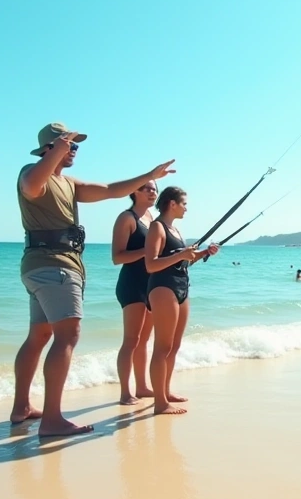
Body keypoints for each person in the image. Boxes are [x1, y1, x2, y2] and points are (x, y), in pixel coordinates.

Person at [12, 122, 174, 436]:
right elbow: (31, 187)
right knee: (68, 335)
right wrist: (58, 149)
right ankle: (52, 420)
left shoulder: (68, 183)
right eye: (70, 144)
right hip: (53, 266)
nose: (74, 150)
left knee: (40, 336)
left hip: (50, 266)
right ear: (51, 146)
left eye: (75, 146)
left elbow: (113, 190)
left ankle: (22, 408)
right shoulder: (32, 173)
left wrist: (149, 175)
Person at [144, 187, 219, 415]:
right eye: (184, 203)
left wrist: (204, 253)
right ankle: (159, 403)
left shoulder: (175, 229)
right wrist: (181, 255)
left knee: (174, 346)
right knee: (163, 347)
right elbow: (151, 264)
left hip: (181, 286)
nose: (187, 208)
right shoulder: (157, 227)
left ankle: (165, 392)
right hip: (163, 287)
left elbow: (182, 261)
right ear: (172, 203)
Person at [112, 180, 159, 405]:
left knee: (144, 340)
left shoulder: (152, 219)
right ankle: (124, 392)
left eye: (155, 189)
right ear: (135, 191)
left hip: (152, 284)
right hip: (132, 283)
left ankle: (141, 387)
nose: (152, 192)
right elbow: (117, 257)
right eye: (147, 188)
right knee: (131, 340)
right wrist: (146, 250)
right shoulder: (126, 218)